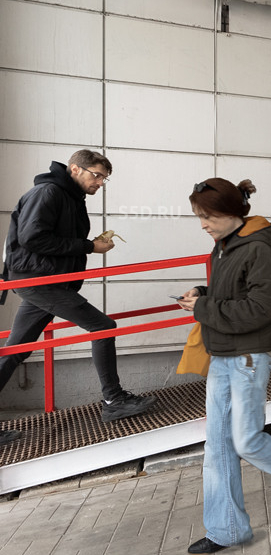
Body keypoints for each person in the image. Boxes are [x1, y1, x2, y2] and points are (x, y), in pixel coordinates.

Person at [178, 178, 271, 554]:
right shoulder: (224, 245)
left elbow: (260, 309)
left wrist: (203, 308)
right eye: (200, 216)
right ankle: (226, 530)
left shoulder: (258, 249)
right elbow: (235, 294)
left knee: (246, 440)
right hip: (221, 355)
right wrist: (204, 294)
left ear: (232, 212)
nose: (203, 224)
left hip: (246, 358)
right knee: (217, 447)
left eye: (208, 216)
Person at [0, 150, 156, 441]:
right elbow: (32, 238)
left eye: (104, 178)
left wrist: (88, 245)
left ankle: (114, 399)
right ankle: (114, 400)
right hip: (40, 282)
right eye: (96, 175)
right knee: (103, 326)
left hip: (45, 282)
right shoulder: (48, 192)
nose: (100, 183)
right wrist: (88, 247)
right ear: (75, 169)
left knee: (15, 350)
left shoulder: (70, 196)